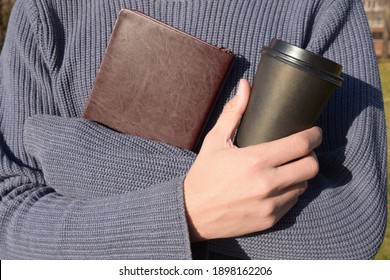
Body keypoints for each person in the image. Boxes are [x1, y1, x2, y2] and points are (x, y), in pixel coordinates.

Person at [0, 0, 387, 259]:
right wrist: (185, 210)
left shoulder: (320, 6)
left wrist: (80, 161)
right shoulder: (47, 8)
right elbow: (8, 219)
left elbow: (351, 227)